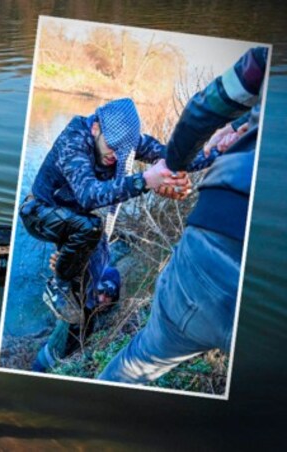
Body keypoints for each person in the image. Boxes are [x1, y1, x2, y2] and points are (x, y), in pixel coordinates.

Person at [98, 47, 268, 384]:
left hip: (219, 241)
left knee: (137, 362)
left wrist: (169, 168)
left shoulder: (267, 61)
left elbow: (202, 113)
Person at [19, 98, 217, 322]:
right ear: (96, 128)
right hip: (40, 211)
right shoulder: (73, 140)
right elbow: (88, 195)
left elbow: (173, 158)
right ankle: (57, 285)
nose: (116, 155)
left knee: (97, 260)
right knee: (91, 228)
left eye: (123, 150)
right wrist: (144, 180)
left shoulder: (127, 142)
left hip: (73, 217)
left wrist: (214, 150)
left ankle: (84, 313)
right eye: (112, 146)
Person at [31, 238, 121, 372]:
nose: (102, 298)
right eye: (100, 290)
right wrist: (62, 276)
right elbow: (60, 295)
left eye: (109, 293)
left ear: (115, 295)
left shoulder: (114, 313)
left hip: (68, 362)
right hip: (47, 359)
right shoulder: (79, 302)